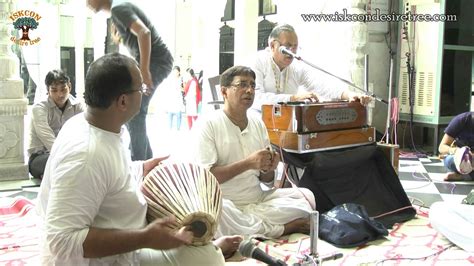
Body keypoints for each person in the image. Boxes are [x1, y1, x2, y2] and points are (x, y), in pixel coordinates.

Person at [36, 53, 242, 265]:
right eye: (141, 89)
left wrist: (141, 169)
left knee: (201, 248)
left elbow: (109, 177)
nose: (145, 94)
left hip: (127, 244)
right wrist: (144, 238)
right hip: (99, 260)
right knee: (206, 259)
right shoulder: (85, 155)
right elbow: (61, 241)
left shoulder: (95, 124)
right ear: (123, 101)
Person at [193, 65, 314, 238]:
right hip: (225, 203)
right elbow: (206, 178)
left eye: (252, 85)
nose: (249, 90)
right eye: (242, 85)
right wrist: (248, 163)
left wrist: (269, 167)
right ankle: (283, 229)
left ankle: (253, 228)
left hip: (257, 200)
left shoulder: (258, 124)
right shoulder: (208, 124)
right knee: (216, 214)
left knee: (306, 197)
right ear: (224, 92)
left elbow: (266, 181)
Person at [87, 0, 174, 160]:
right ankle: (146, 161)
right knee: (134, 112)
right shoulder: (116, 12)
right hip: (155, 60)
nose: (86, 3)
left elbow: (144, 33)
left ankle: (140, 162)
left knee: (134, 112)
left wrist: (145, 69)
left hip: (157, 61)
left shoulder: (119, 8)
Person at [252, 23, 372, 112]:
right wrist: (294, 98)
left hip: (285, 125)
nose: (292, 51)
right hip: (258, 124)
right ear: (273, 45)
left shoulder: (296, 66)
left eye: (295, 47)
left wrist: (349, 95)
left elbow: (322, 86)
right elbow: (256, 98)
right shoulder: (258, 61)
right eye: (288, 46)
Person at [27, 69, 84, 179]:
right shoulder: (39, 108)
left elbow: (85, 132)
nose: (60, 94)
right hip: (41, 157)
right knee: (58, 163)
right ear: (48, 91)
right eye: (54, 90)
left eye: (63, 89)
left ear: (70, 87)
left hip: (71, 154)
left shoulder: (78, 106)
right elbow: (48, 139)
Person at [438, 112, 474, 181]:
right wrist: (457, 151)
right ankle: (468, 175)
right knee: (449, 161)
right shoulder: (461, 120)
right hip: (460, 158)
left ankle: (463, 176)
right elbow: (441, 147)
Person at [165, 66, 184, 131]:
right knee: (170, 117)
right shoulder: (170, 79)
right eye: (174, 72)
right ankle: (169, 130)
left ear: (179, 72)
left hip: (178, 100)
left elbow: (183, 89)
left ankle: (178, 129)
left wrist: (180, 88)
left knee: (179, 116)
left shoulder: (181, 79)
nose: (175, 73)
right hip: (171, 100)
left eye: (177, 72)